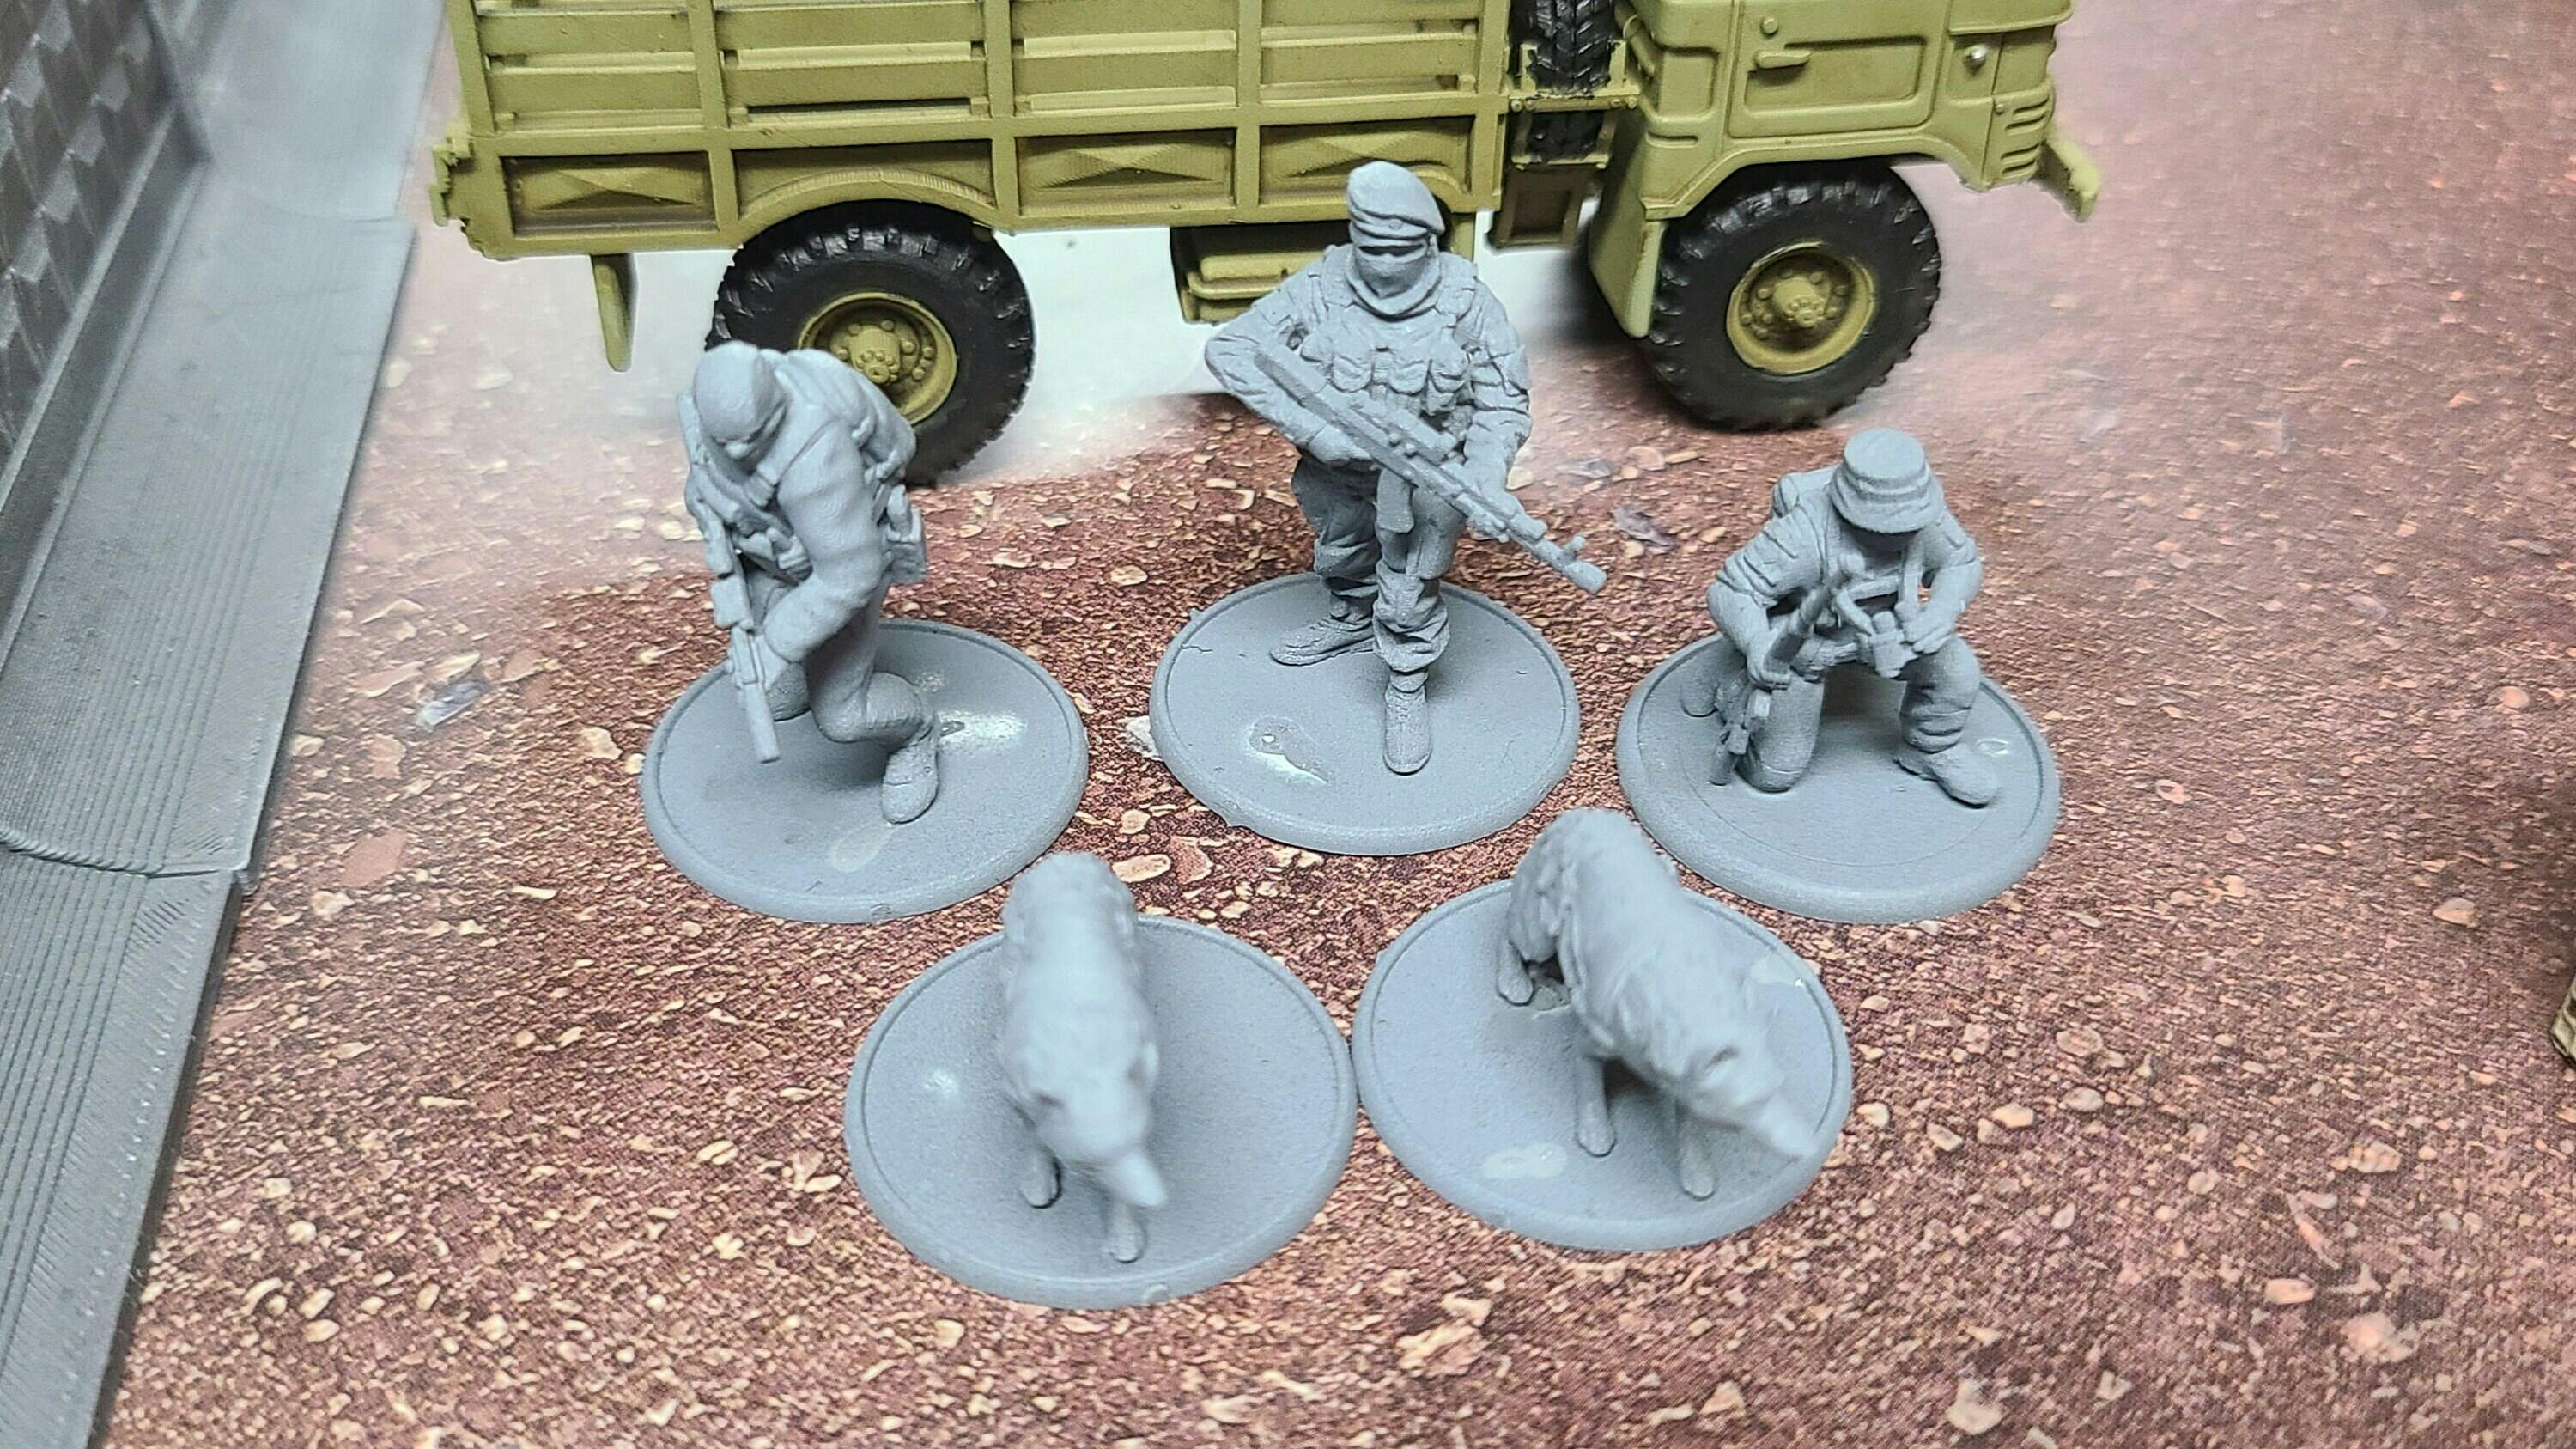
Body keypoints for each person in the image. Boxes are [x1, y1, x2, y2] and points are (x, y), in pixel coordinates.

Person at [1203, 161, 1533, 774]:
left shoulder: (1466, 303)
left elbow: (1502, 402)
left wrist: (1486, 480)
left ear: (1428, 241)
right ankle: (1352, 617)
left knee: (1409, 588)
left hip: (1428, 477)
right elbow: (1231, 348)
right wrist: (1313, 431)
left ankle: (1406, 681)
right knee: (1342, 552)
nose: (1382, 262)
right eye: (1369, 245)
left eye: (1398, 248)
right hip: (1339, 469)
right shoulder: (1322, 287)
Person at [684, 341, 939, 822]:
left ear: (777, 407)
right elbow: (706, 471)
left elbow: (849, 574)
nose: (736, 452)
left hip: (836, 576)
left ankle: (916, 733)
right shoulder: (712, 416)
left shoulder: (816, 455)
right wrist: (706, 505)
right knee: (777, 687)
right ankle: (795, 670)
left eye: (751, 438)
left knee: (844, 716)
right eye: (726, 441)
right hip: (773, 558)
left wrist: (776, 647)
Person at [1686, 429, 1997, 807]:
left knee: (1955, 669)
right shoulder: (1802, 534)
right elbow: (1733, 590)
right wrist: (1756, 643)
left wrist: (1941, 611)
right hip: (1805, 649)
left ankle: (1930, 748)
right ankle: (1732, 684)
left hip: (1890, 636)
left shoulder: (1925, 520)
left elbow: (1960, 562)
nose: (1900, 533)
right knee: (1775, 774)